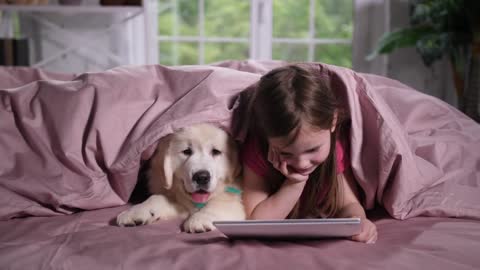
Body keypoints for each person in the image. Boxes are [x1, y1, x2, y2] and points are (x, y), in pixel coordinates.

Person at [241, 64, 378, 244]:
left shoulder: (334, 149)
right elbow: (256, 224)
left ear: (333, 121)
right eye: (286, 153)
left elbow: (349, 204)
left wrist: (359, 223)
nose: (302, 163)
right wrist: (294, 184)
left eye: (312, 150)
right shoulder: (258, 151)